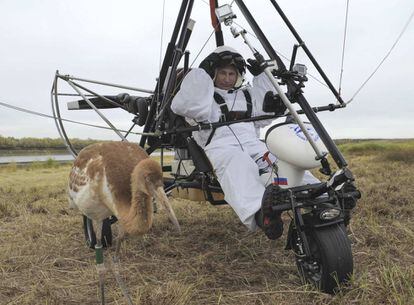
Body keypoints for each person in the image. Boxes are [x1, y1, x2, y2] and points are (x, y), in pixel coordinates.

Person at [171, 46, 315, 239]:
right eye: (222, 73)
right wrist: (202, 74)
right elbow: (185, 106)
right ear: (213, 74)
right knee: (239, 163)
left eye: (232, 73)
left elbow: (267, 111)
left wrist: (263, 77)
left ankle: (319, 196)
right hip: (221, 147)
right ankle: (262, 213)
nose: (228, 78)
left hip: (254, 144)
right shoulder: (203, 96)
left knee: (279, 160)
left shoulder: (246, 94)